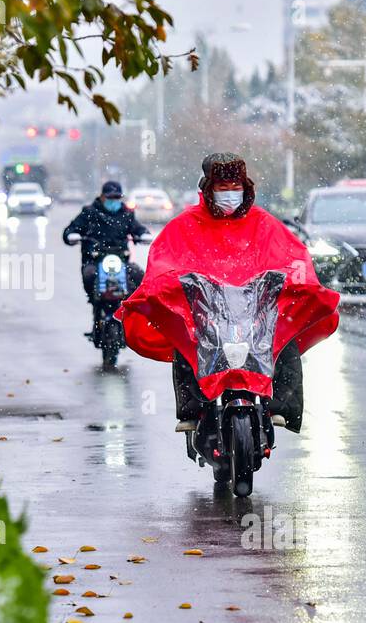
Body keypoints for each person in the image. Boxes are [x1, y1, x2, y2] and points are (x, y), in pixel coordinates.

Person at [117, 153, 339, 434]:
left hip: (255, 314)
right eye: (223, 189)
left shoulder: (263, 223)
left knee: (285, 340)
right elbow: (165, 261)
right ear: (209, 189)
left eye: (236, 188)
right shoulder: (186, 225)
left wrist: (298, 281)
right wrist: (167, 285)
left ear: (246, 189)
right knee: (187, 341)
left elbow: (292, 257)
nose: (230, 195)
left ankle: (281, 406)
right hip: (207, 315)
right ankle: (192, 409)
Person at [62, 180, 148, 302]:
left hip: (121, 260)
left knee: (137, 274)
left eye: (117, 197)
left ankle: (132, 306)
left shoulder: (126, 214)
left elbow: (137, 228)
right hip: (95, 259)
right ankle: (94, 301)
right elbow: (71, 229)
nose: (114, 201)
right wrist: (71, 235)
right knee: (89, 275)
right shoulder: (89, 212)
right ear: (102, 197)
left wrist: (143, 234)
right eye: (110, 198)